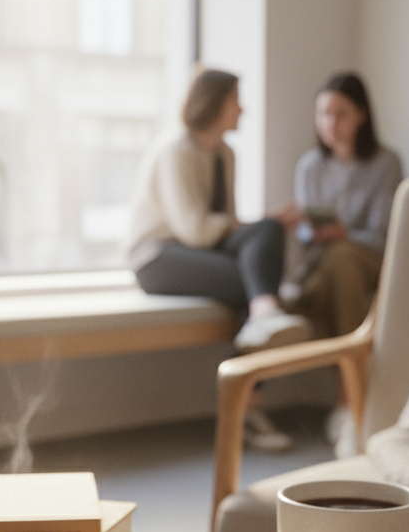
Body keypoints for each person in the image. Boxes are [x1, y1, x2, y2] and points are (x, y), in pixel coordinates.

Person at [125, 68, 308, 450]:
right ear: (215, 104)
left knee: (267, 237)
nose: (243, 110)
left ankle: (261, 317)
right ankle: (246, 401)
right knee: (257, 273)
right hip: (158, 256)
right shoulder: (176, 152)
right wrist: (261, 221)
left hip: (197, 251)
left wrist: (265, 224)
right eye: (236, 101)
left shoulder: (225, 154)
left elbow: (226, 229)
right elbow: (194, 229)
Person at [281, 73, 402, 341]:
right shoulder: (309, 166)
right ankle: (350, 370)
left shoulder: (385, 164)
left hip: (367, 259)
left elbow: (382, 237)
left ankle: (348, 370)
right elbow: (303, 235)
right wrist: (308, 230)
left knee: (342, 258)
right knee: (329, 268)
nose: (330, 123)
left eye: (340, 114)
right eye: (323, 114)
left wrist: (344, 235)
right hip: (320, 261)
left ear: (362, 115)